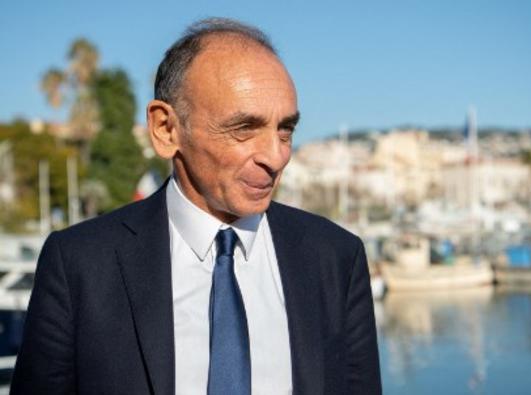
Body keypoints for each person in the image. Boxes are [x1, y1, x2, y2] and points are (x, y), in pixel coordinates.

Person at [11, 18, 381, 395]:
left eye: (285, 130)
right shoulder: (80, 264)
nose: (276, 155)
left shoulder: (335, 257)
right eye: (244, 128)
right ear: (166, 129)